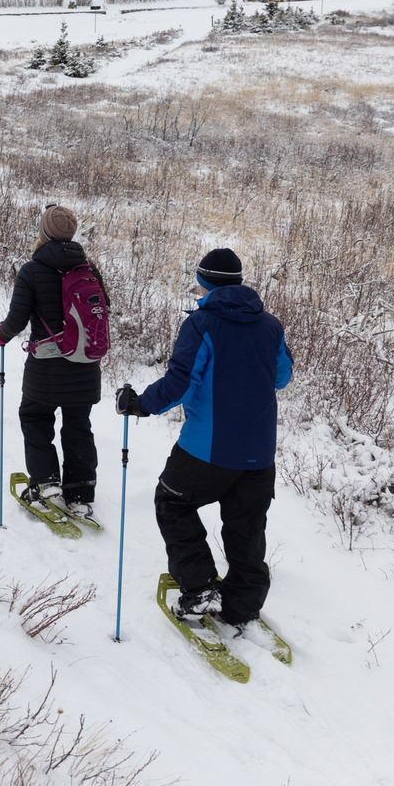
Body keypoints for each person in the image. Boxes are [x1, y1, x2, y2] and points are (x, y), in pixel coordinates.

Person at [116, 248, 294, 633]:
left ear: (206, 282)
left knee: (172, 502)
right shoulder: (270, 325)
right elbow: (282, 377)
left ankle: (199, 590)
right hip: (259, 453)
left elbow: (179, 383)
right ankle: (243, 605)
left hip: (208, 449)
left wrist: (140, 404)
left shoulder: (202, 325)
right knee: (246, 527)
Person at [0, 205, 107, 519]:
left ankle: (46, 483)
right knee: (78, 427)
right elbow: (103, 309)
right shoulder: (88, 268)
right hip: (84, 365)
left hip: (45, 367)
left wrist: (0, 335)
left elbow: (16, 319)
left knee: (34, 418)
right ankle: (80, 493)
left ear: (43, 232)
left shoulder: (32, 270)